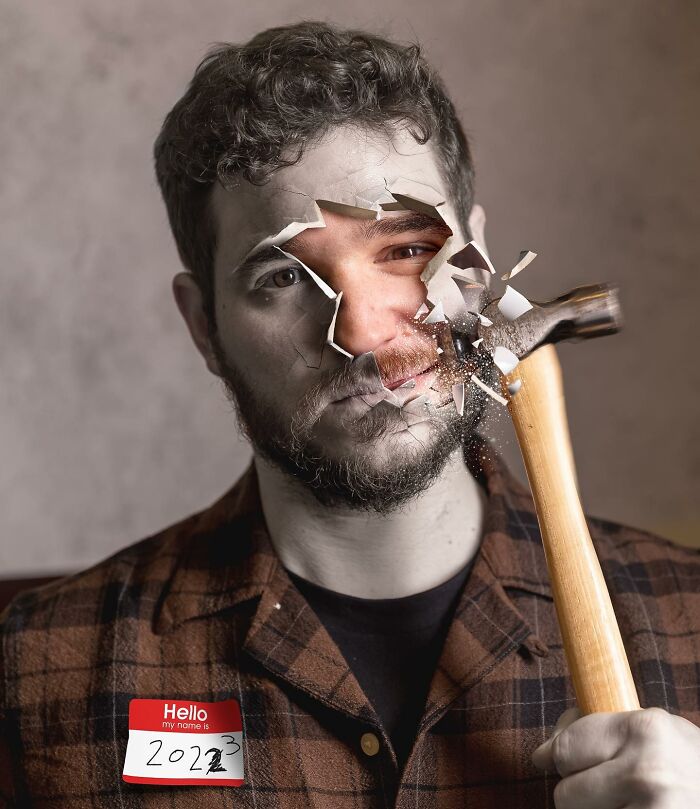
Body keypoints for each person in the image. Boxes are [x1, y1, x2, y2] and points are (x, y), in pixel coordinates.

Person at [1, 21, 699, 809]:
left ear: (475, 260)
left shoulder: (688, 622)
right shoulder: (39, 675)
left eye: (405, 250)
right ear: (205, 327)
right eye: (281, 278)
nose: (366, 333)